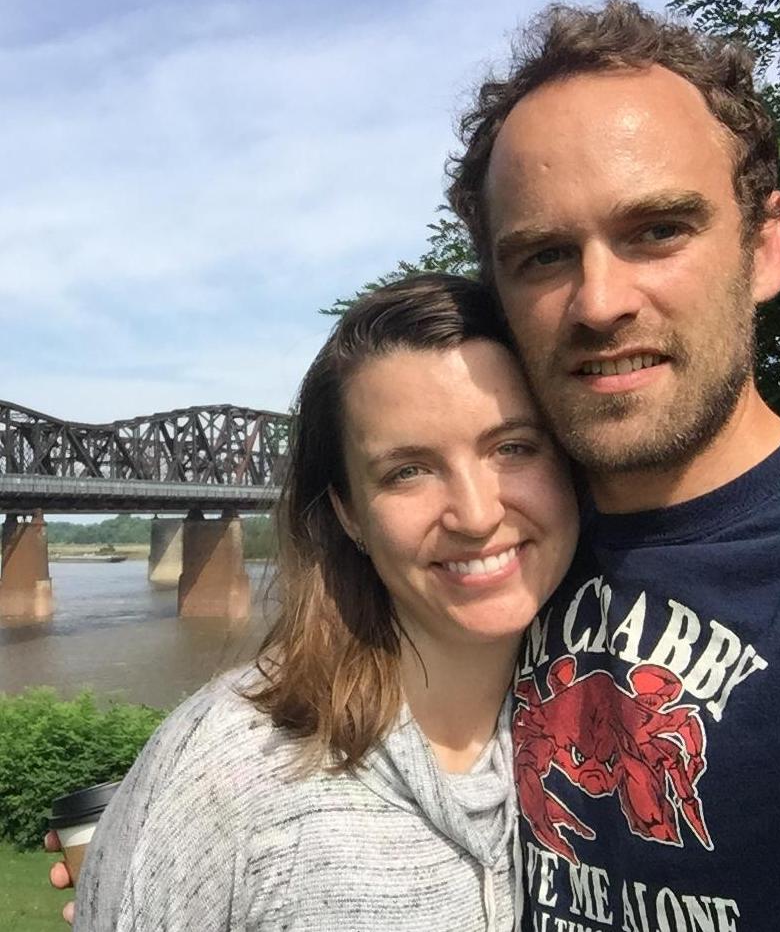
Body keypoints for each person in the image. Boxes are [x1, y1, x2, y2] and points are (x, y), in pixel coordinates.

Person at [445, 0, 780, 931]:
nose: (599, 302)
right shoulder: (481, 560)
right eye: (545, 255)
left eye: (657, 231)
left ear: (766, 245)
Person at [53, 273, 579, 931]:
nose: (475, 515)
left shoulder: (599, 737)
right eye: (408, 471)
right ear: (349, 513)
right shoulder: (231, 774)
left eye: (513, 447)